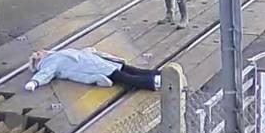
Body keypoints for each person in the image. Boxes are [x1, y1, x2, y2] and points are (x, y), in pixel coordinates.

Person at [23, 47, 162, 92]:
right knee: (124, 77)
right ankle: (153, 82)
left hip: (94, 61)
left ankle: (158, 75)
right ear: (38, 60)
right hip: (90, 67)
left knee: (129, 70)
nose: (40, 51)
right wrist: (34, 82)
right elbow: (45, 74)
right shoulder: (49, 62)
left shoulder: (55, 54)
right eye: (37, 54)